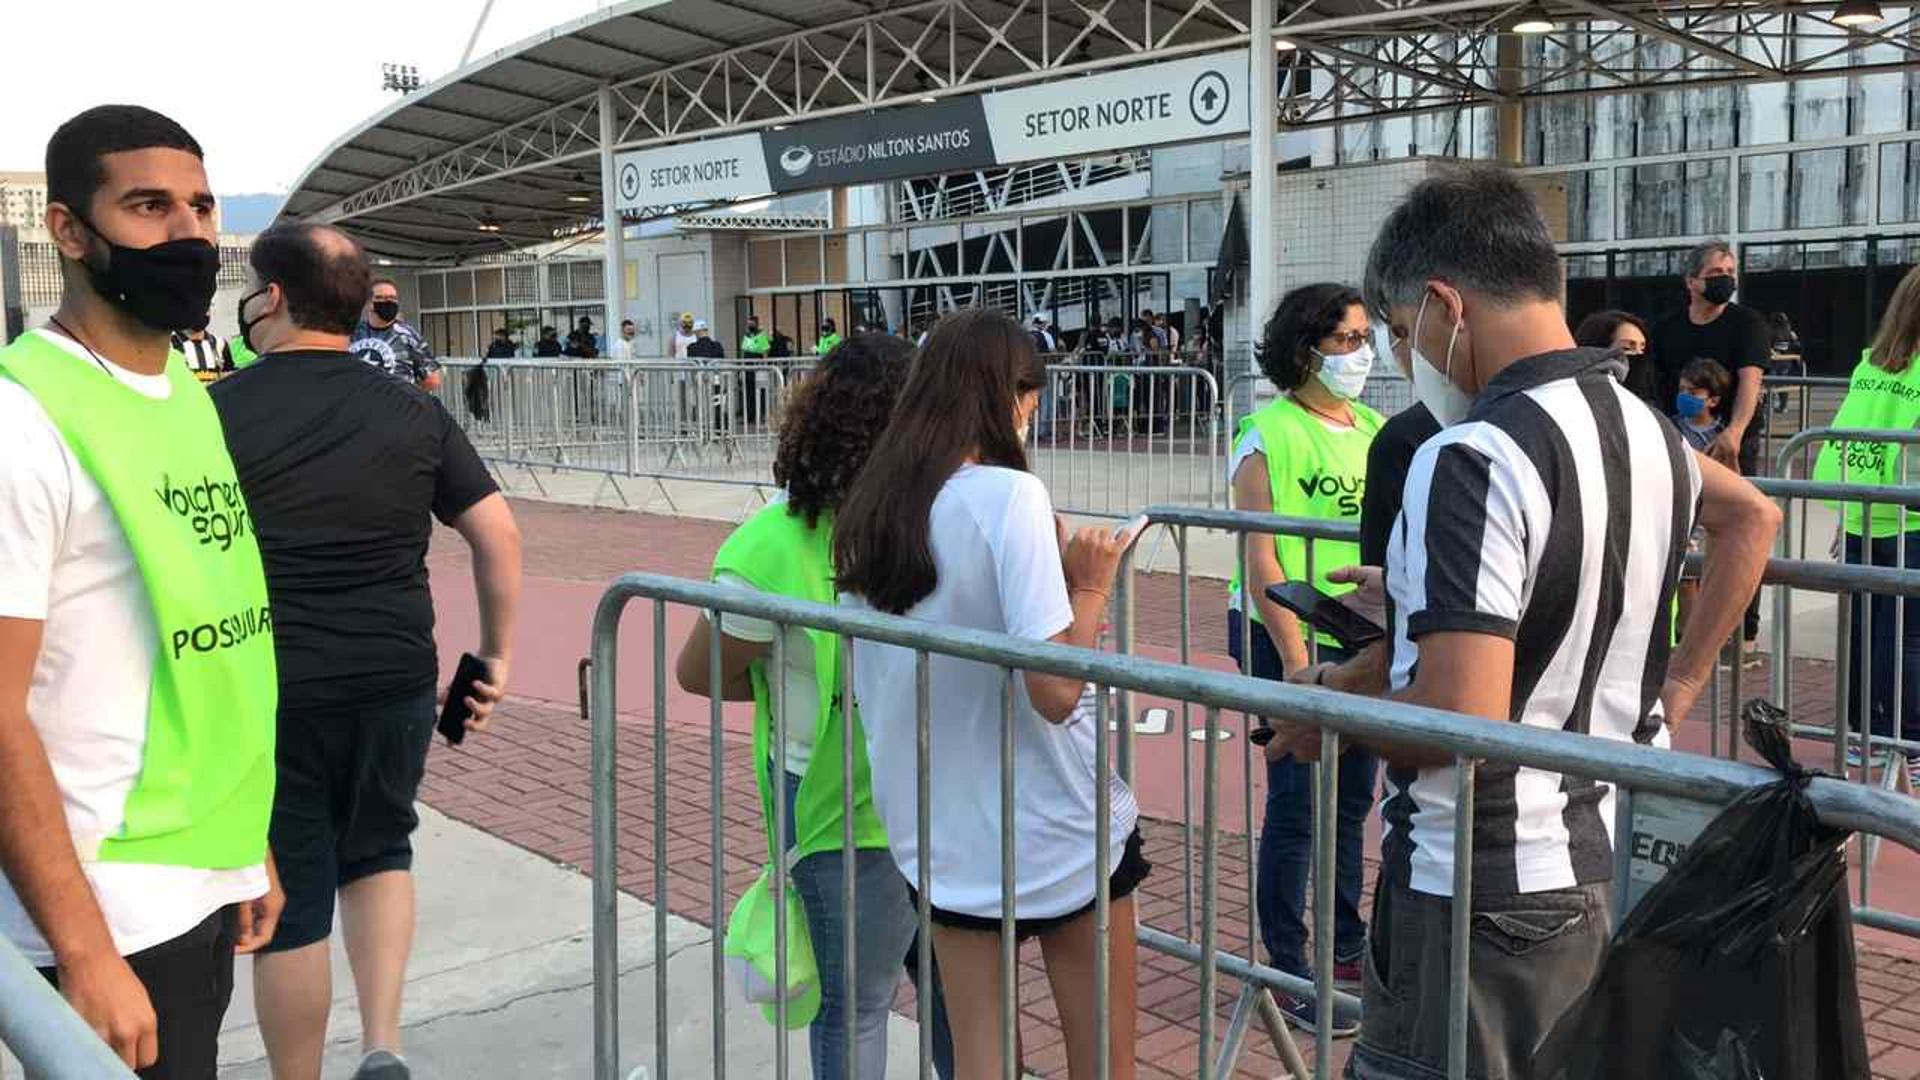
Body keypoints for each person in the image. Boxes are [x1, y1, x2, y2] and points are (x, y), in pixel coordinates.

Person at [1272, 166, 1778, 1080]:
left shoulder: (1471, 452)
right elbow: (1754, 520)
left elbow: (1457, 720)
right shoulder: (1648, 430)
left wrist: (1331, 697)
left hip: (1476, 885)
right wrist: (1679, 690)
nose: (1400, 355)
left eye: (1396, 333)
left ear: (1441, 305)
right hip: (1601, 858)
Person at [0, 103, 283, 1078]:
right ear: (70, 231)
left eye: (202, 207)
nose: (190, 233)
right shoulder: (21, 424)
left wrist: (244, 851)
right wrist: (84, 953)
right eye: (150, 206)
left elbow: (213, 636)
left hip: (199, 876)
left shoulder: (180, 397)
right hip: (104, 914)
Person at [211, 223, 523, 1080]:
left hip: (276, 686)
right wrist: (492, 658)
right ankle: (382, 1045)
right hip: (396, 675)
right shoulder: (414, 410)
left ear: (270, 299)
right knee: (384, 847)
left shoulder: (217, 410)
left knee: (297, 894)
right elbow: (495, 532)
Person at [835, 309, 1145, 1080]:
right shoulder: (1008, 496)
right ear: (1012, 397)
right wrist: (1090, 586)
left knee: (978, 1054)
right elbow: (1056, 691)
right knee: (1101, 1057)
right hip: (1050, 823)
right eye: (1031, 395)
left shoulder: (874, 504)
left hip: (939, 831)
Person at [674, 334, 952, 1080]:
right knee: (962, 996)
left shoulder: (769, 545)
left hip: (837, 807)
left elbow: (705, 673)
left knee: (854, 1009)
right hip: (946, 793)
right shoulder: (950, 523)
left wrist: (776, 682)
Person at [1226, 283, 1382, 1034]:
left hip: (1358, 638)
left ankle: (1347, 949)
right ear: (1305, 350)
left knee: (1353, 801)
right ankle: (1285, 967)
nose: (1361, 352)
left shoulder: (1378, 430)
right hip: (1282, 632)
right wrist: (1292, 665)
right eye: (1347, 340)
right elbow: (1264, 555)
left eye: (1364, 337)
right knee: (1296, 807)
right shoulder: (1266, 432)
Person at [1816, 263, 1920, 784]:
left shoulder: (1871, 367)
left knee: (1868, 628)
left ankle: (1865, 737)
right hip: (1909, 516)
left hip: (1864, 510)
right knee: (1907, 636)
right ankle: (1909, 739)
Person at [348, 279, 441, 391]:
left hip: (396, 406)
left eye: (393, 298)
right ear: (369, 303)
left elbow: (432, 380)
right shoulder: (352, 333)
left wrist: (408, 395)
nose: (389, 302)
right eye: (381, 298)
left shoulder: (408, 336)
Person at [1573, 309, 1654, 402]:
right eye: (1627, 348)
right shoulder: (1576, 398)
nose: (1638, 355)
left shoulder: (1651, 410)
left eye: (1642, 349)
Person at [1672, 356, 1732, 453]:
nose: (1684, 396)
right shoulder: (1671, 427)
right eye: (1681, 390)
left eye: (1693, 393)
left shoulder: (1723, 433)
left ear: (1713, 401)